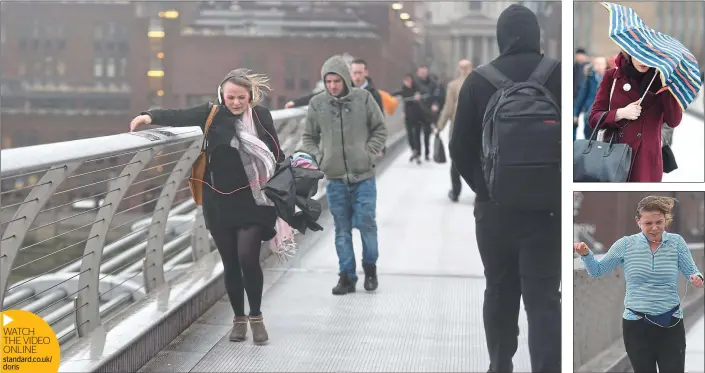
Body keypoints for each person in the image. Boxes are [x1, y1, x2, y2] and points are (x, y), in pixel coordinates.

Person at [129, 69, 284, 345]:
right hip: (219, 200)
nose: (236, 103)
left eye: (241, 97)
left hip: (254, 200)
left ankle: (256, 316)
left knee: (248, 258)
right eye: (230, 97)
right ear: (222, 97)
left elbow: (276, 153)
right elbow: (179, 115)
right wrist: (149, 116)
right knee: (231, 264)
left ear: (250, 97)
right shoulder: (211, 114)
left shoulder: (260, 117)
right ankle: (238, 319)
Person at [449, 5, 562, 373]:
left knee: (499, 290)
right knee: (544, 298)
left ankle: (500, 363)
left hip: (495, 211)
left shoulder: (478, 81)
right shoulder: (558, 75)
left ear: (500, 35)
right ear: (536, 34)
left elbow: (459, 148)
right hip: (547, 211)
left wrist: (486, 187)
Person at [574, 195, 704, 373]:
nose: (654, 228)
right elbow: (597, 270)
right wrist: (586, 255)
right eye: (648, 223)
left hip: (670, 322)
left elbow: (692, 270)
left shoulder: (676, 243)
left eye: (659, 222)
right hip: (636, 325)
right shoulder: (626, 245)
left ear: (666, 220)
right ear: (638, 221)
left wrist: (697, 278)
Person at [301, 54, 387, 295]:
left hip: (364, 177)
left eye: (336, 81)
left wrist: (368, 153)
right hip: (336, 178)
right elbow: (308, 137)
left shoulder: (364, 98)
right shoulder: (318, 104)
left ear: (346, 80)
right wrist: (318, 158)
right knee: (342, 229)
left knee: (367, 225)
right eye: (328, 81)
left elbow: (380, 128)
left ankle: (370, 269)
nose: (332, 86)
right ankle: (346, 277)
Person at [588, 50, 682, 182]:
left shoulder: (662, 80)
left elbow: (673, 121)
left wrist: (670, 88)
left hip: (647, 160)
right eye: (639, 55)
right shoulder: (613, 76)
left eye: (649, 56)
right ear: (629, 52)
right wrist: (620, 113)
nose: (643, 61)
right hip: (614, 155)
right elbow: (594, 118)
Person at [285, 58, 383, 112]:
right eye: (354, 73)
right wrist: (295, 103)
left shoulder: (374, 95)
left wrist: (379, 148)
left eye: (360, 73)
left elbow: (380, 124)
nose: (357, 76)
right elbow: (318, 96)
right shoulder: (343, 90)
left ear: (366, 72)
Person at [435, 59, 472, 202]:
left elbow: (448, 108)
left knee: (456, 162)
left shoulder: (453, 85)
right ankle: (481, 192)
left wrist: (439, 126)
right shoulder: (481, 84)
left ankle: (456, 192)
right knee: (478, 162)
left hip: (458, 129)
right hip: (476, 130)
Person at [390, 74, 426, 164]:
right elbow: (394, 94)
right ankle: (414, 151)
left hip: (418, 115)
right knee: (410, 134)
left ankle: (418, 153)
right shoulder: (403, 90)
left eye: (410, 81)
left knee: (417, 134)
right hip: (408, 115)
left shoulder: (417, 88)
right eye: (406, 81)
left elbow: (424, 91)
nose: (408, 83)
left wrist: (419, 95)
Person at [574, 56, 608, 140]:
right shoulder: (589, 78)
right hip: (590, 111)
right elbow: (582, 96)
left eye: (602, 64)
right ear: (593, 65)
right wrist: (576, 114)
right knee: (589, 137)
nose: (599, 66)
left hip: (605, 112)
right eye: (597, 64)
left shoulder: (611, 78)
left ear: (606, 65)